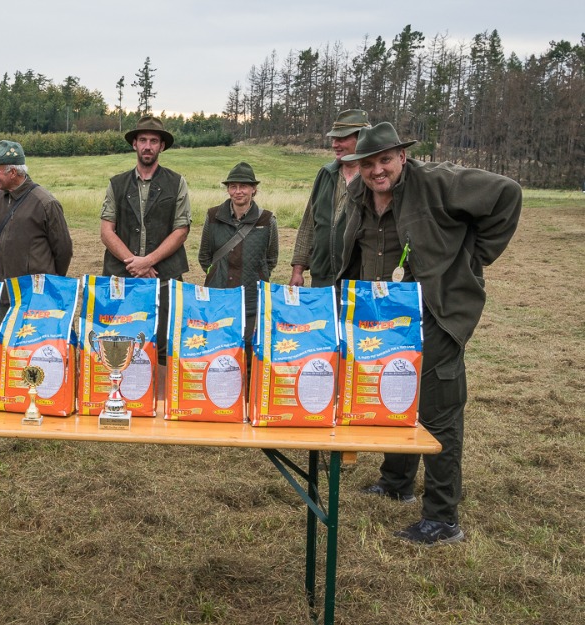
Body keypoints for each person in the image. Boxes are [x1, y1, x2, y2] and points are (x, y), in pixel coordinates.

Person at [337, 122, 521, 545]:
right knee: (394, 394)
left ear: (402, 156)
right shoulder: (359, 195)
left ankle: (442, 517)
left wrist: (475, 255)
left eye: (385, 160)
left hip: (434, 315)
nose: (377, 170)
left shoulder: (440, 182)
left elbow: (507, 193)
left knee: (440, 411)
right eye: (368, 163)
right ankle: (396, 481)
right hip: (380, 318)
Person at [100, 116, 191, 360]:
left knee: (164, 345)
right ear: (134, 145)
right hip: (122, 278)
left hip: (165, 278)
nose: (147, 146)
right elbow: (107, 231)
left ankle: (161, 398)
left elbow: (181, 230)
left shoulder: (177, 182)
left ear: (162, 146)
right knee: (120, 342)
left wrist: (149, 260)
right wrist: (135, 262)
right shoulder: (117, 184)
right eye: (142, 140)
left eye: (153, 140)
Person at [0, 140, 73, 309]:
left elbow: (63, 250)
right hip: (2, 297)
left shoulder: (45, 203)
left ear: (12, 172)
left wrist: (48, 284)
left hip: (35, 300)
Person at [197, 162, 278, 345]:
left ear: (254, 189)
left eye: (244, 186)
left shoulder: (267, 219)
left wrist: (254, 276)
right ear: (228, 190)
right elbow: (204, 256)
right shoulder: (213, 216)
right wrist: (217, 274)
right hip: (218, 295)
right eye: (233, 186)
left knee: (248, 345)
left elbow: (271, 258)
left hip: (251, 297)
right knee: (217, 345)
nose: (238, 191)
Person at [290, 109, 371, 288]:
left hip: (359, 281)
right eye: (334, 139)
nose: (335, 144)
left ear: (362, 138)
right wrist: (298, 269)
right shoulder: (325, 174)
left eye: (341, 139)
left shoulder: (373, 178)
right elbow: (308, 224)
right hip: (322, 278)